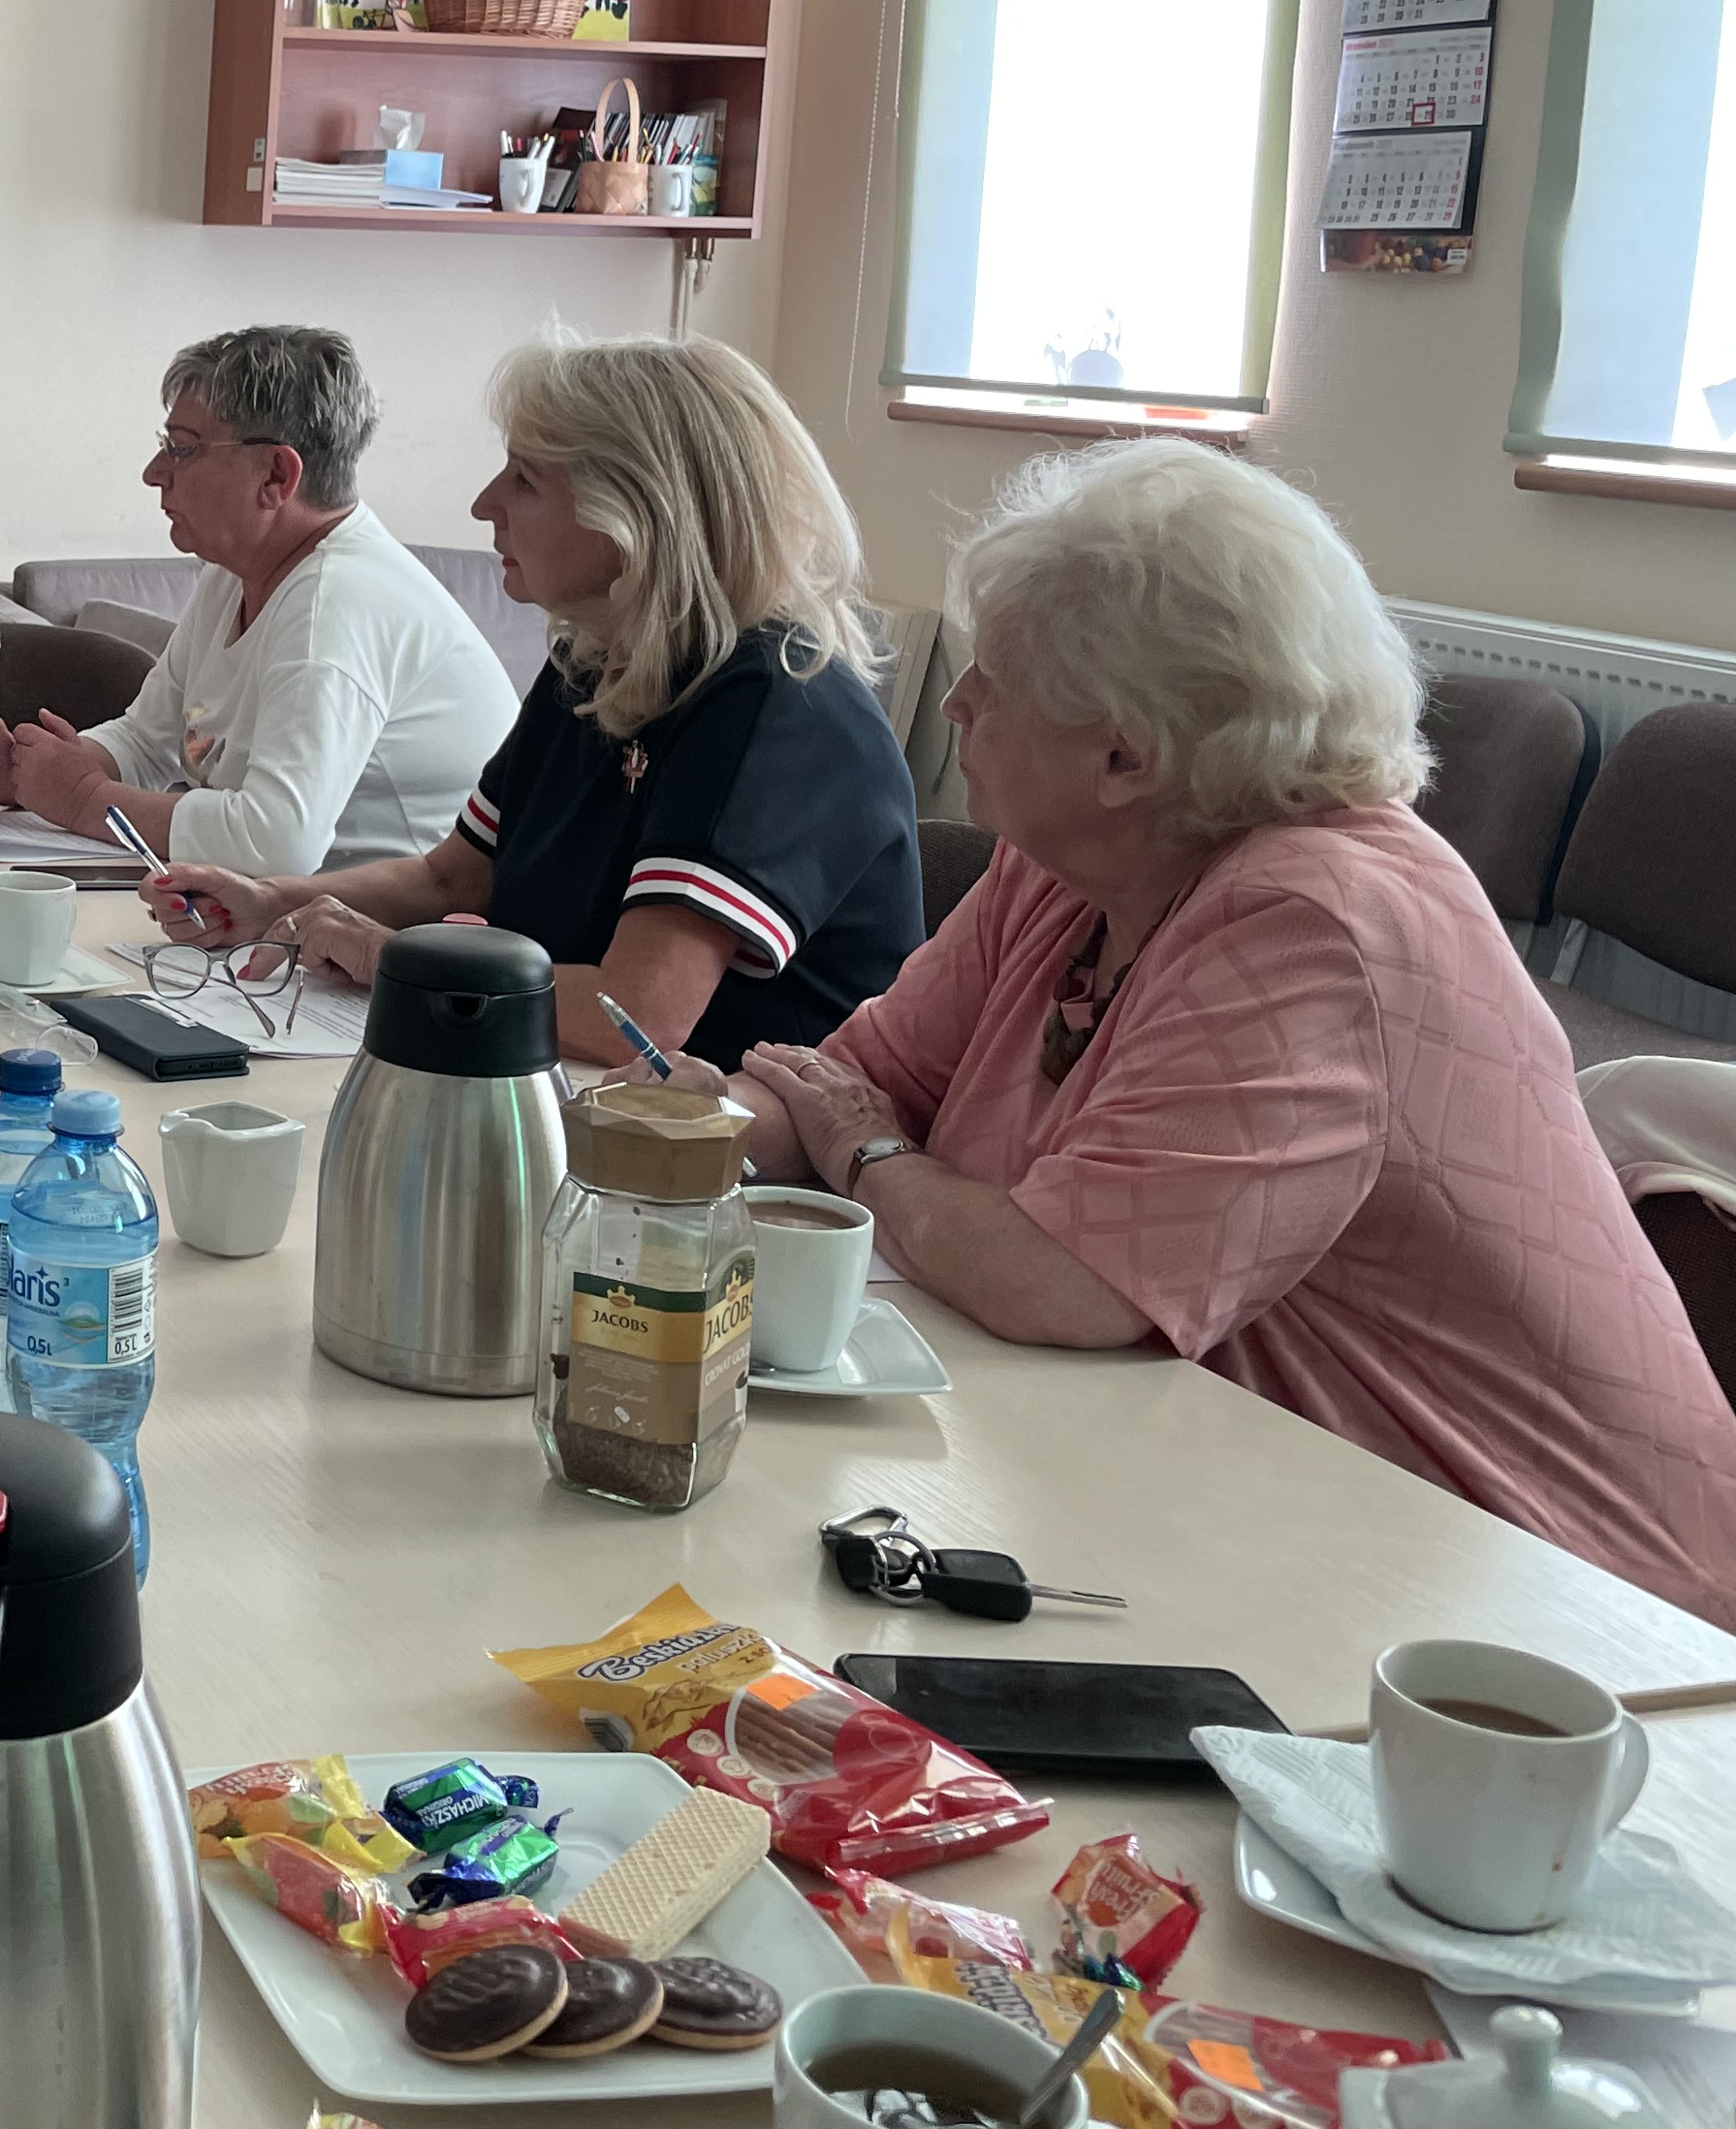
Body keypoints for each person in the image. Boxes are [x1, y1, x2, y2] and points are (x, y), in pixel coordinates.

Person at [728, 439, 1736, 1629]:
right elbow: (849, 1079)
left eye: (994, 680)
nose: (955, 704)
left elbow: (1060, 1283)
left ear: (1125, 754)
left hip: (1554, 1605)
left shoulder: (1313, 921)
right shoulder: (1071, 864)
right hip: (1263, 1509)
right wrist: (690, 1127)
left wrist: (868, 1155)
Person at [143, 334, 919, 1064]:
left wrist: (392, 959)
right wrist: (270, 901)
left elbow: (638, 1015)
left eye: (525, 480)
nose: (485, 504)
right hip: (581, 1094)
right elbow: (453, 879)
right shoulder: (595, 658)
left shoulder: (775, 705)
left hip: (736, 1139)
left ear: (635, 514)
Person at [0, 324, 514, 872]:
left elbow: (277, 841)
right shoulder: (238, 573)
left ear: (276, 476)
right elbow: (147, 741)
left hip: (416, 932)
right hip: (302, 915)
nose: (154, 472)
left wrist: (84, 799)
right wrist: (25, 774)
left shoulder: (336, 602)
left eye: (182, 448)